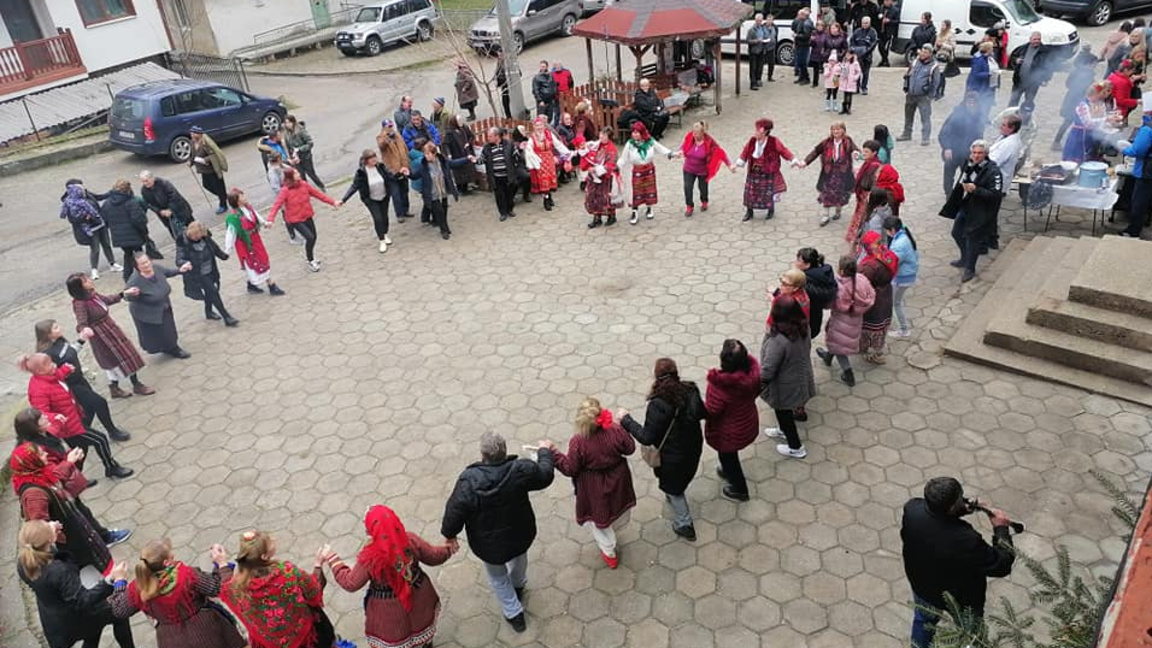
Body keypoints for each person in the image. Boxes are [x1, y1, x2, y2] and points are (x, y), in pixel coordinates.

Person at [441, 431, 555, 632]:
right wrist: (545, 452)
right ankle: (518, 585)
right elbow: (545, 475)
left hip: (488, 544)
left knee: (498, 577)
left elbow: (455, 510)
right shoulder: (521, 470)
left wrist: (450, 535)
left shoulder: (469, 480)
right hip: (520, 533)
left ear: (482, 454)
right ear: (505, 451)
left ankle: (514, 613)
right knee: (520, 560)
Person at [901, 477, 1016, 648]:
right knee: (972, 634)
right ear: (951, 507)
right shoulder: (965, 539)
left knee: (924, 620)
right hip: (960, 599)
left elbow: (937, 514)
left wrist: (964, 508)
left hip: (922, 585)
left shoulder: (912, 510)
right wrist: (1001, 529)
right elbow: (1001, 565)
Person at [322, 505, 456, 648]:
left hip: (389, 614)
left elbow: (351, 582)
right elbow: (434, 556)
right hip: (420, 600)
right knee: (423, 639)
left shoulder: (370, 557)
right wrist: (449, 548)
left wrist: (333, 559)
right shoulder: (409, 540)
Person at [12, 442, 131, 574]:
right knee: (91, 569)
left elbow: (57, 477)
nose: (45, 454)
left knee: (98, 559)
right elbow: (38, 527)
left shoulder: (39, 475)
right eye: (40, 454)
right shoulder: (34, 494)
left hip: (78, 531)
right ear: (32, 462)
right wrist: (53, 530)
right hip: (72, 542)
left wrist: (70, 463)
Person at [620, 358, 705, 541]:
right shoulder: (691, 390)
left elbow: (646, 437)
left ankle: (685, 524)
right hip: (693, 447)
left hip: (672, 458)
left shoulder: (658, 404)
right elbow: (702, 413)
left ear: (656, 377)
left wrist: (626, 420)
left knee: (675, 489)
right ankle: (674, 494)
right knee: (680, 480)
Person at [546, 397, 637, 567]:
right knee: (617, 507)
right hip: (618, 479)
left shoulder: (578, 442)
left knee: (599, 518)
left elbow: (570, 468)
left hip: (593, 486)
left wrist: (553, 452)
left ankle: (609, 551)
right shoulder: (615, 430)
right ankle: (615, 531)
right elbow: (630, 448)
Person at [108, 538, 247, 648]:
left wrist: (119, 581)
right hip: (207, 631)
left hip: (170, 639)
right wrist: (221, 564)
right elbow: (217, 588)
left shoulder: (138, 587)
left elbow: (119, 610)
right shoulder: (186, 575)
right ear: (167, 562)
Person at [17, 520, 136, 648]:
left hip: (53, 623)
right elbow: (84, 600)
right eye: (47, 525)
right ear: (49, 541)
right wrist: (111, 579)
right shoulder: (59, 571)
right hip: (75, 619)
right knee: (119, 612)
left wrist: (49, 534)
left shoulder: (23, 562)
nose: (51, 524)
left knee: (93, 630)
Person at [18, 353, 134, 478]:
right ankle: (111, 467)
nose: (54, 365)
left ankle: (74, 478)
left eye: (52, 362)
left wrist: (65, 370)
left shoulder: (50, 374)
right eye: (50, 364)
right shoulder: (38, 389)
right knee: (100, 440)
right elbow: (40, 411)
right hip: (68, 427)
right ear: (39, 371)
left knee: (80, 451)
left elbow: (59, 376)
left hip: (73, 418)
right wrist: (54, 417)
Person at [219, 530, 334, 648]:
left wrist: (222, 564)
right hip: (309, 639)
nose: (274, 540)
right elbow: (313, 589)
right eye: (270, 542)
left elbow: (226, 590)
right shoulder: (287, 572)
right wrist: (318, 565)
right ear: (264, 556)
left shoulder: (237, 588)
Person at [36, 320, 133, 440]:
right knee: (99, 402)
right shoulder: (46, 354)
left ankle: (82, 434)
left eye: (58, 325)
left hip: (80, 379)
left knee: (88, 409)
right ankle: (112, 431)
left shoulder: (61, 341)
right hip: (70, 385)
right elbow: (49, 373)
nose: (60, 328)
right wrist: (64, 371)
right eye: (55, 328)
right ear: (47, 335)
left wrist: (82, 339)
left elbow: (71, 352)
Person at [66, 273, 152, 398]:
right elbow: (81, 322)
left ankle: (119, 387)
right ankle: (133, 385)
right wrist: (84, 330)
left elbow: (108, 300)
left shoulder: (92, 295)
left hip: (111, 329)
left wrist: (124, 293)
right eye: (85, 281)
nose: (90, 280)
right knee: (114, 361)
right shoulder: (80, 303)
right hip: (101, 337)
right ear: (80, 287)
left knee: (127, 355)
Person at [760, 295, 817, 459]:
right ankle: (782, 430)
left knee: (784, 413)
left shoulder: (778, 341)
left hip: (784, 385)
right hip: (799, 377)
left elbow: (768, 370)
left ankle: (796, 447)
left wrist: (756, 384)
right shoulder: (803, 327)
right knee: (783, 412)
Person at [704, 340, 760, 502]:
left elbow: (712, 410)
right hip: (747, 421)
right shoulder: (753, 376)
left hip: (727, 432)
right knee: (729, 456)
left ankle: (739, 489)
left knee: (728, 457)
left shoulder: (721, 386)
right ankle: (728, 472)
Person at [940, 140, 1002, 283]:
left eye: (980, 153)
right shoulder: (968, 164)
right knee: (956, 232)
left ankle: (970, 268)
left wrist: (976, 190)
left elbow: (995, 195)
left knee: (972, 238)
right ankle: (964, 257)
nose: (976, 156)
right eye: (974, 152)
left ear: (986, 154)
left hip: (981, 210)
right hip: (967, 205)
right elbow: (962, 180)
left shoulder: (993, 171)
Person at [817, 256, 875, 387]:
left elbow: (830, 304)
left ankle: (848, 374)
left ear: (842, 271)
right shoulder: (862, 280)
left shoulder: (840, 288)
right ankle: (827, 357)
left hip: (841, 321)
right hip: (856, 319)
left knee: (839, 347)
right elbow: (871, 294)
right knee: (837, 343)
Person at [266, 168, 339, 272]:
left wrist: (333, 202)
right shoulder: (285, 190)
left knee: (314, 237)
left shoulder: (304, 184)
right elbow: (276, 205)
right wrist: (270, 219)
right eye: (296, 173)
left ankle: (310, 256)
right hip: (295, 219)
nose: (299, 174)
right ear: (290, 177)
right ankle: (310, 260)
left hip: (307, 215)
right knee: (309, 237)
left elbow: (318, 195)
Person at [123, 254, 192, 359]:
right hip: (146, 313)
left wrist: (180, 270)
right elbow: (127, 296)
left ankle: (171, 347)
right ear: (137, 266)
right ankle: (173, 349)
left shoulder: (157, 268)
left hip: (163, 306)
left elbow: (168, 272)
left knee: (168, 329)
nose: (146, 265)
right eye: (142, 264)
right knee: (157, 333)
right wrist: (130, 294)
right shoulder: (135, 280)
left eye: (147, 262)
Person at [224, 189, 285, 295]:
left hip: (256, 239)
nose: (244, 197)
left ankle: (251, 284)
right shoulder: (233, 218)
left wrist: (265, 223)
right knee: (255, 262)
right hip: (246, 244)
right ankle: (271, 285)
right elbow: (231, 234)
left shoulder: (249, 208)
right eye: (241, 196)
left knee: (262, 259)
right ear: (236, 200)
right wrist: (227, 250)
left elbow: (256, 217)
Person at [176, 221, 237, 327]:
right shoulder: (183, 242)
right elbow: (178, 259)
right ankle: (226, 316)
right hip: (197, 274)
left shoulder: (205, 237)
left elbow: (214, 248)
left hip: (210, 270)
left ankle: (208, 312)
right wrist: (185, 263)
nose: (196, 237)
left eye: (199, 235)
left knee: (210, 292)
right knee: (213, 292)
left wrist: (224, 255)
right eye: (194, 235)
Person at [799, 122, 859, 226]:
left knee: (841, 193)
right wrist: (805, 162)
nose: (836, 131)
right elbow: (815, 152)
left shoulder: (848, 141)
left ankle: (838, 211)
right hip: (829, 172)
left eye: (838, 129)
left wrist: (856, 154)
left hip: (843, 173)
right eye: (833, 129)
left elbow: (856, 150)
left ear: (843, 130)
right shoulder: (826, 142)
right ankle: (825, 215)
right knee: (826, 193)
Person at [617, 121, 677, 225]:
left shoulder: (650, 142)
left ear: (642, 132)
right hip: (637, 171)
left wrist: (671, 154)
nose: (635, 134)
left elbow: (661, 149)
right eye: (633, 132)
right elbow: (623, 158)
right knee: (635, 192)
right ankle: (634, 212)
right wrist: (616, 167)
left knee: (649, 189)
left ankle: (649, 208)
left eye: (637, 132)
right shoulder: (630, 144)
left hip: (649, 170)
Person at [736, 118, 795, 221]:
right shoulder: (752, 141)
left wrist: (793, 159)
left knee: (768, 193)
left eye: (757, 130)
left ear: (764, 131)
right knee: (750, 193)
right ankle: (749, 212)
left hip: (768, 172)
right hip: (754, 172)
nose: (755, 132)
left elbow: (784, 151)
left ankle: (770, 210)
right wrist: (739, 162)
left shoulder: (774, 141)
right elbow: (745, 152)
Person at [60, 180, 118, 281]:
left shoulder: (85, 193)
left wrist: (111, 192)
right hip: (89, 228)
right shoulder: (69, 201)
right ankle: (94, 270)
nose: (83, 188)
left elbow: (98, 197)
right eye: (80, 186)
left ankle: (113, 263)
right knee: (95, 248)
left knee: (106, 244)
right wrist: (86, 218)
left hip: (100, 224)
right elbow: (72, 219)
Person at [340, 149, 396, 254]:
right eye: (371, 158)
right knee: (378, 218)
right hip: (371, 199)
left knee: (384, 217)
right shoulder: (361, 172)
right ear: (366, 160)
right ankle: (381, 240)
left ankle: (385, 233)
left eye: (375, 157)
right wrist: (344, 199)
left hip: (384, 196)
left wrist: (399, 173)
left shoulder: (380, 167)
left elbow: (390, 175)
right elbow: (354, 186)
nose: (374, 159)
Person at [858, 230, 899, 363]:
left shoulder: (869, 266)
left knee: (870, 326)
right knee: (881, 326)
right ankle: (876, 351)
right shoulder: (889, 256)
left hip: (874, 299)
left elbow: (861, 283)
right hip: (886, 293)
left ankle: (870, 351)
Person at [100, 179, 152, 283]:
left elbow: (104, 220)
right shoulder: (131, 202)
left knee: (128, 255)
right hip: (135, 234)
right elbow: (139, 220)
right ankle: (143, 276)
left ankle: (128, 277)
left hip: (119, 236)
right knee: (139, 255)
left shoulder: (107, 203)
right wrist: (144, 232)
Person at [679, 120, 733, 217]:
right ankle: (689, 206)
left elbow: (720, 152)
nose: (694, 135)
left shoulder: (709, 142)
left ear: (702, 133)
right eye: (693, 132)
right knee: (687, 187)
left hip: (702, 171)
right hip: (689, 169)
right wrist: (679, 152)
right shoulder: (690, 137)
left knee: (702, 188)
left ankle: (704, 201)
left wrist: (729, 165)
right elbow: (683, 146)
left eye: (697, 133)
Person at [987, 113, 1023, 249]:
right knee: (990, 214)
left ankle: (990, 240)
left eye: (1003, 125)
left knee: (988, 213)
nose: (1000, 127)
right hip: (995, 182)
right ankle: (991, 239)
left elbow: (994, 161)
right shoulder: (1006, 138)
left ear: (1012, 128)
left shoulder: (1010, 144)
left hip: (996, 183)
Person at [1063, 82, 1124, 163]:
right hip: (1080, 136)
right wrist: (1106, 119)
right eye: (1102, 93)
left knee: (1092, 158)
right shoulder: (1083, 105)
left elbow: (1102, 117)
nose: (1104, 95)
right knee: (1077, 160)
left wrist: (1111, 122)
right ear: (1095, 93)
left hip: (1093, 136)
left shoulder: (1099, 103)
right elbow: (1088, 123)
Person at [939, 92, 986, 196]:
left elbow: (979, 137)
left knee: (967, 176)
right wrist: (947, 147)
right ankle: (949, 195)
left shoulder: (979, 117)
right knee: (948, 176)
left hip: (967, 154)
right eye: (969, 102)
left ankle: (963, 196)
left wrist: (976, 153)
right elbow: (944, 133)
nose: (971, 105)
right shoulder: (956, 115)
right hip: (952, 152)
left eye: (973, 103)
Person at [1053, 47, 1100, 151]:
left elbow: (1068, 84)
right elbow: (1087, 90)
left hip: (1070, 99)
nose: (1095, 66)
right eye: (1094, 64)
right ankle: (1061, 142)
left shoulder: (1076, 71)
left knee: (1068, 122)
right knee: (1073, 122)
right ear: (1089, 63)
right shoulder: (1088, 75)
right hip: (1077, 102)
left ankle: (1059, 141)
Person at [899, 45, 942, 146]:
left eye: (926, 52)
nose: (923, 54)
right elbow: (908, 74)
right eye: (922, 51)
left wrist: (930, 96)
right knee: (908, 116)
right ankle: (907, 133)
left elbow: (936, 82)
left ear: (930, 54)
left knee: (925, 117)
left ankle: (925, 137)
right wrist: (907, 87)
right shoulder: (915, 62)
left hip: (923, 96)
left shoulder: (934, 66)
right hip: (911, 94)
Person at [884, 217, 919, 337]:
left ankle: (904, 329)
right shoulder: (903, 234)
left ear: (892, 230)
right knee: (894, 301)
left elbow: (893, 262)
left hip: (902, 278)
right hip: (906, 274)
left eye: (887, 231)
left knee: (895, 303)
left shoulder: (899, 244)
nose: (887, 234)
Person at [527, 116, 570, 211]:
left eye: (541, 125)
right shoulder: (532, 138)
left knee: (550, 180)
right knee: (543, 182)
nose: (539, 127)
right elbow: (529, 151)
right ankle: (546, 200)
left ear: (544, 125)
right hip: (539, 162)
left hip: (549, 161)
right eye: (537, 126)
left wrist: (566, 153)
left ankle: (549, 197)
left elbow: (558, 144)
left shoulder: (549, 134)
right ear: (534, 127)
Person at [419, 141, 459, 241]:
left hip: (443, 191)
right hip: (433, 193)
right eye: (425, 154)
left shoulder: (442, 161)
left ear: (434, 153)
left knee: (444, 210)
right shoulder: (424, 165)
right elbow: (415, 175)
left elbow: (453, 163)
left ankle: (444, 226)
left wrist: (467, 159)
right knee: (439, 211)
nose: (426, 156)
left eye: (428, 154)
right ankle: (444, 230)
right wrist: (407, 173)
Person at [582, 127, 620, 228]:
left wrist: (596, 169)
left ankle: (611, 216)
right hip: (593, 176)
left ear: (609, 137)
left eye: (604, 135)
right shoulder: (596, 145)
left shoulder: (611, 149)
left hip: (605, 177)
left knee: (605, 197)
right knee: (592, 195)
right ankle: (596, 217)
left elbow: (611, 164)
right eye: (600, 134)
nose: (601, 137)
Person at [483, 127, 523, 223]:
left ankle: (510, 209)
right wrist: (475, 160)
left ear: (497, 136)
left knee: (509, 194)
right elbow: (482, 159)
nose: (488, 138)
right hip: (496, 177)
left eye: (490, 136)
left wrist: (519, 152)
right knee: (499, 196)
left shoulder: (508, 144)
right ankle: (503, 213)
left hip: (508, 176)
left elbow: (516, 157)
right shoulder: (487, 148)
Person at [138, 171, 193, 241]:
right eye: (143, 182)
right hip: (165, 216)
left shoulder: (163, 183)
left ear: (152, 178)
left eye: (146, 181)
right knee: (176, 234)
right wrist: (160, 211)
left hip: (180, 210)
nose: (145, 183)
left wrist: (170, 209)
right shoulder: (144, 191)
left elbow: (174, 196)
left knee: (192, 226)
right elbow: (149, 204)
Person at [795, 248, 837, 340]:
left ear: (807, 264)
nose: (796, 262)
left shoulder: (806, 281)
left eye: (798, 260)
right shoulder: (824, 272)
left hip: (807, 318)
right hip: (816, 316)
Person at [377, 118, 414, 222]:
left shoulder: (397, 135)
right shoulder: (381, 137)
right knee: (396, 193)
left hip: (403, 167)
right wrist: (386, 137)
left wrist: (407, 163)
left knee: (405, 190)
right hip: (392, 170)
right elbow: (381, 146)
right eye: (388, 126)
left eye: (391, 126)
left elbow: (404, 148)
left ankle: (406, 210)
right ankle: (399, 214)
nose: (390, 128)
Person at [1009, 32, 1055, 111]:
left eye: (1038, 39)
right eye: (1035, 39)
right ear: (1030, 39)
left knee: (1028, 103)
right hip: (1019, 81)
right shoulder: (1022, 48)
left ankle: (1025, 120)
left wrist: (1046, 79)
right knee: (1013, 101)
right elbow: (1012, 57)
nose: (1037, 41)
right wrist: (1016, 60)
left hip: (1033, 83)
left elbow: (1049, 67)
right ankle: (1009, 117)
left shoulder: (1045, 52)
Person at [189, 126, 228, 214]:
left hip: (213, 170)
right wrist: (190, 162)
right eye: (191, 133)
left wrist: (205, 160)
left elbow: (213, 155)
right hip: (203, 170)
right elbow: (193, 154)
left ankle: (223, 204)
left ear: (199, 134)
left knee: (219, 188)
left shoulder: (206, 143)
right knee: (206, 185)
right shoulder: (192, 142)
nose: (191, 134)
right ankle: (225, 196)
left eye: (193, 133)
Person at [284, 114, 325, 192]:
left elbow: (310, 143)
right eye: (286, 123)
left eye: (289, 123)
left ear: (293, 122)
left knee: (311, 173)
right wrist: (290, 157)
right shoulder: (287, 134)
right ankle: (306, 191)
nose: (288, 125)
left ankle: (321, 186)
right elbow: (288, 147)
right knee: (301, 175)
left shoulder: (300, 131)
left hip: (306, 156)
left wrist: (300, 149)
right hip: (296, 158)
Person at [443, 115, 479, 193]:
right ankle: (460, 188)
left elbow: (471, 136)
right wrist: (449, 154)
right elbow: (446, 144)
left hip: (466, 153)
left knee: (467, 170)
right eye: (459, 121)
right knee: (459, 172)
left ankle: (466, 186)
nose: (461, 122)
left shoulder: (464, 128)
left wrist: (468, 143)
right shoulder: (449, 133)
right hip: (457, 154)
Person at [967, 41, 997, 118]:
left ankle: (982, 117)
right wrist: (989, 74)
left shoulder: (987, 58)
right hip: (977, 86)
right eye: (991, 48)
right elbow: (975, 73)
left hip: (984, 85)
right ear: (988, 49)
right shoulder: (979, 59)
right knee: (977, 102)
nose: (993, 50)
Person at [849, 17, 878, 95]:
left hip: (867, 56)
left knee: (865, 73)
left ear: (869, 23)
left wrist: (866, 51)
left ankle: (864, 87)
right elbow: (852, 42)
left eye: (866, 23)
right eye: (863, 23)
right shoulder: (857, 31)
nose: (864, 25)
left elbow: (873, 44)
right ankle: (856, 87)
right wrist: (854, 50)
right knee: (856, 72)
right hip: (857, 56)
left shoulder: (873, 32)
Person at [748, 13, 772, 89]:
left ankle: (758, 80)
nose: (759, 22)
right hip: (754, 51)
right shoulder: (751, 30)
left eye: (761, 21)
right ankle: (753, 84)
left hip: (761, 50)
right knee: (753, 68)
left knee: (760, 67)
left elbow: (766, 35)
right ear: (755, 20)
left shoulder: (762, 28)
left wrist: (766, 39)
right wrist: (756, 41)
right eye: (758, 21)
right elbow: (748, 40)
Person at [792, 8, 815, 84]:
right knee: (799, 62)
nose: (798, 16)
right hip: (799, 44)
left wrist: (797, 36)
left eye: (799, 14)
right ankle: (801, 77)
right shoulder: (802, 21)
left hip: (804, 45)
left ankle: (806, 78)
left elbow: (806, 36)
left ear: (803, 15)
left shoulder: (806, 23)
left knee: (802, 62)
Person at [532, 60, 559, 125]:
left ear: (547, 67)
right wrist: (540, 100)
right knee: (541, 118)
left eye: (544, 66)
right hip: (542, 101)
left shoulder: (550, 76)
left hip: (550, 100)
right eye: (541, 66)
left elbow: (554, 85)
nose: (542, 68)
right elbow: (535, 90)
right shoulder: (536, 78)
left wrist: (554, 95)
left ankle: (548, 128)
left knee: (550, 117)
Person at [808, 21, 830, 89]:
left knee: (827, 70)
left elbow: (828, 44)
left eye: (821, 26)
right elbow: (811, 45)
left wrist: (826, 51)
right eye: (818, 26)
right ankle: (815, 83)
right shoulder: (814, 33)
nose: (819, 27)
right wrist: (812, 40)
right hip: (815, 53)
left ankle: (828, 85)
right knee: (816, 69)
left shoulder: (826, 34)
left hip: (824, 54)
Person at [878, 0, 899, 66]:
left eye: (888, 1)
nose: (886, 2)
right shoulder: (881, 8)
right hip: (881, 31)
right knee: (880, 47)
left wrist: (889, 21)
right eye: (885, 1)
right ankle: (884, 60)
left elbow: (897, 21)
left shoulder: (895, 10)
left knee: (886, 48)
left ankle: (885, 61)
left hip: (889, 32)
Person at [495, 54, 513, 119]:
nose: (499, 56)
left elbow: (518, 73)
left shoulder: (509, 63)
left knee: (511, 101)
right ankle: (508, 117)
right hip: (504, 86)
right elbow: (497, 74)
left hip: (510, 86)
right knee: (505, 102)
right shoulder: (499, 64)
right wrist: (497, 81)